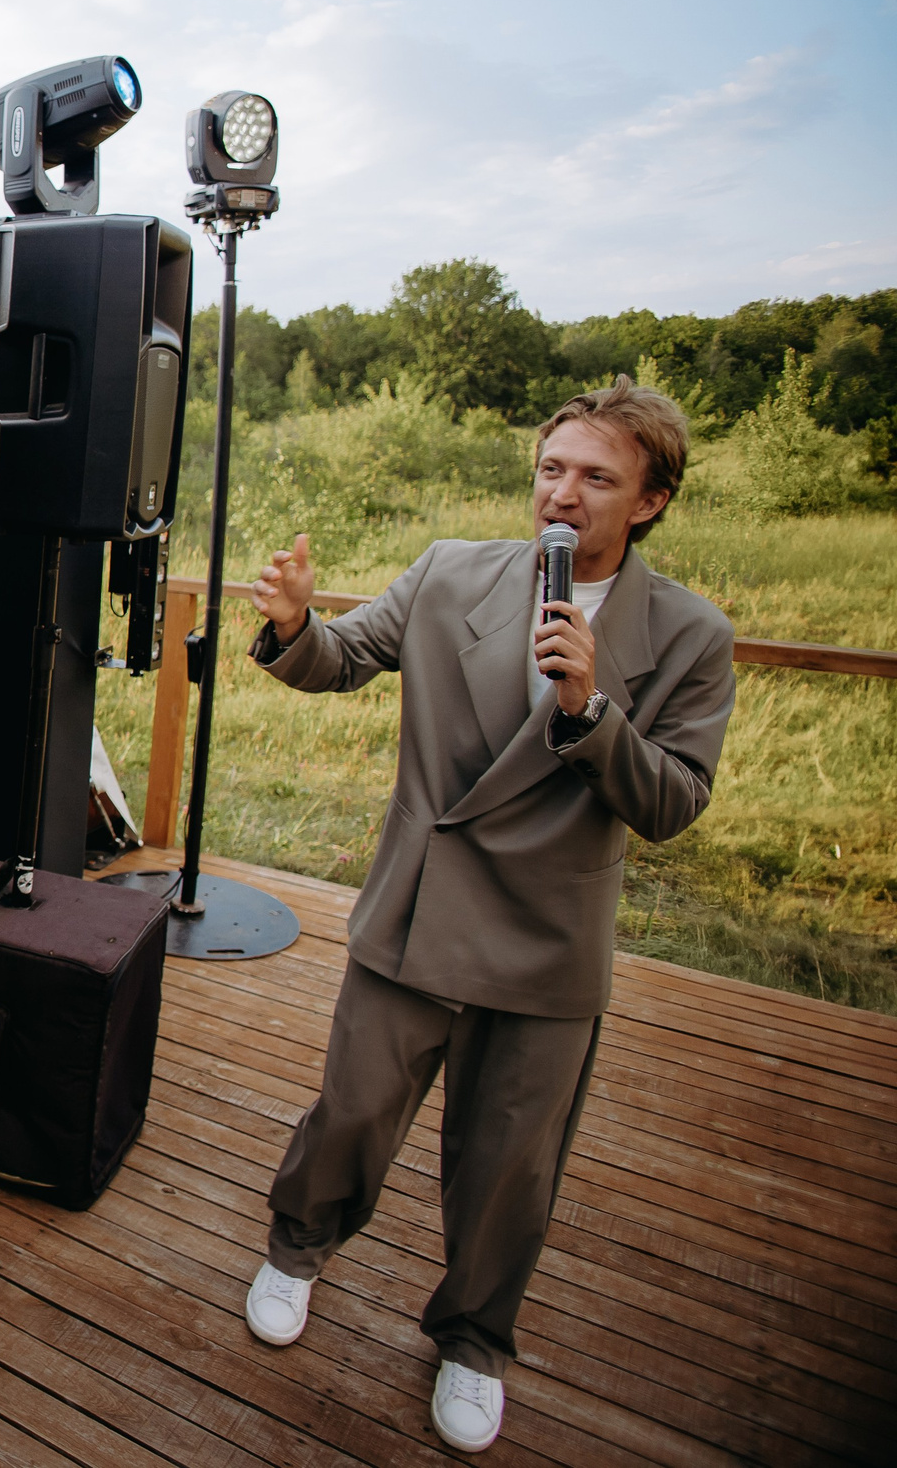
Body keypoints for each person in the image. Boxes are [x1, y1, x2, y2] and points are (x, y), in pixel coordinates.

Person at [236, 379, 735, 1453]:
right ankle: (295, 1247)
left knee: (511, 1159)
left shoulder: (691, 634)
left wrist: (589, 712)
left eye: (597, 477)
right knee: (354, 1109)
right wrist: (291, 626)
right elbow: (337, 662)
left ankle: (473, 1340)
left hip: (550, 941)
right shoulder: (451, 571)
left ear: (648, 501)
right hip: (423, 903)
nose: (564, 493)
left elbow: (671, 803)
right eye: (553, 467)